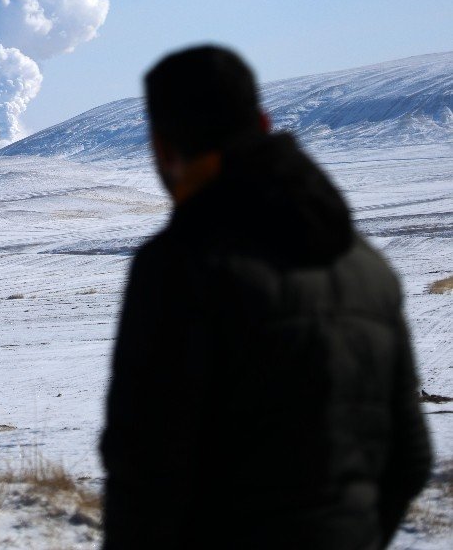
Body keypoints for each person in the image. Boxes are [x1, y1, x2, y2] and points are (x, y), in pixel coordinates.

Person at [100, 45, 431, 549]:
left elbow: (146, 471)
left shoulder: (181, 265)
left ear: (164, 148)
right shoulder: (366, 263)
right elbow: (410, 458)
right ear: (262, 120)